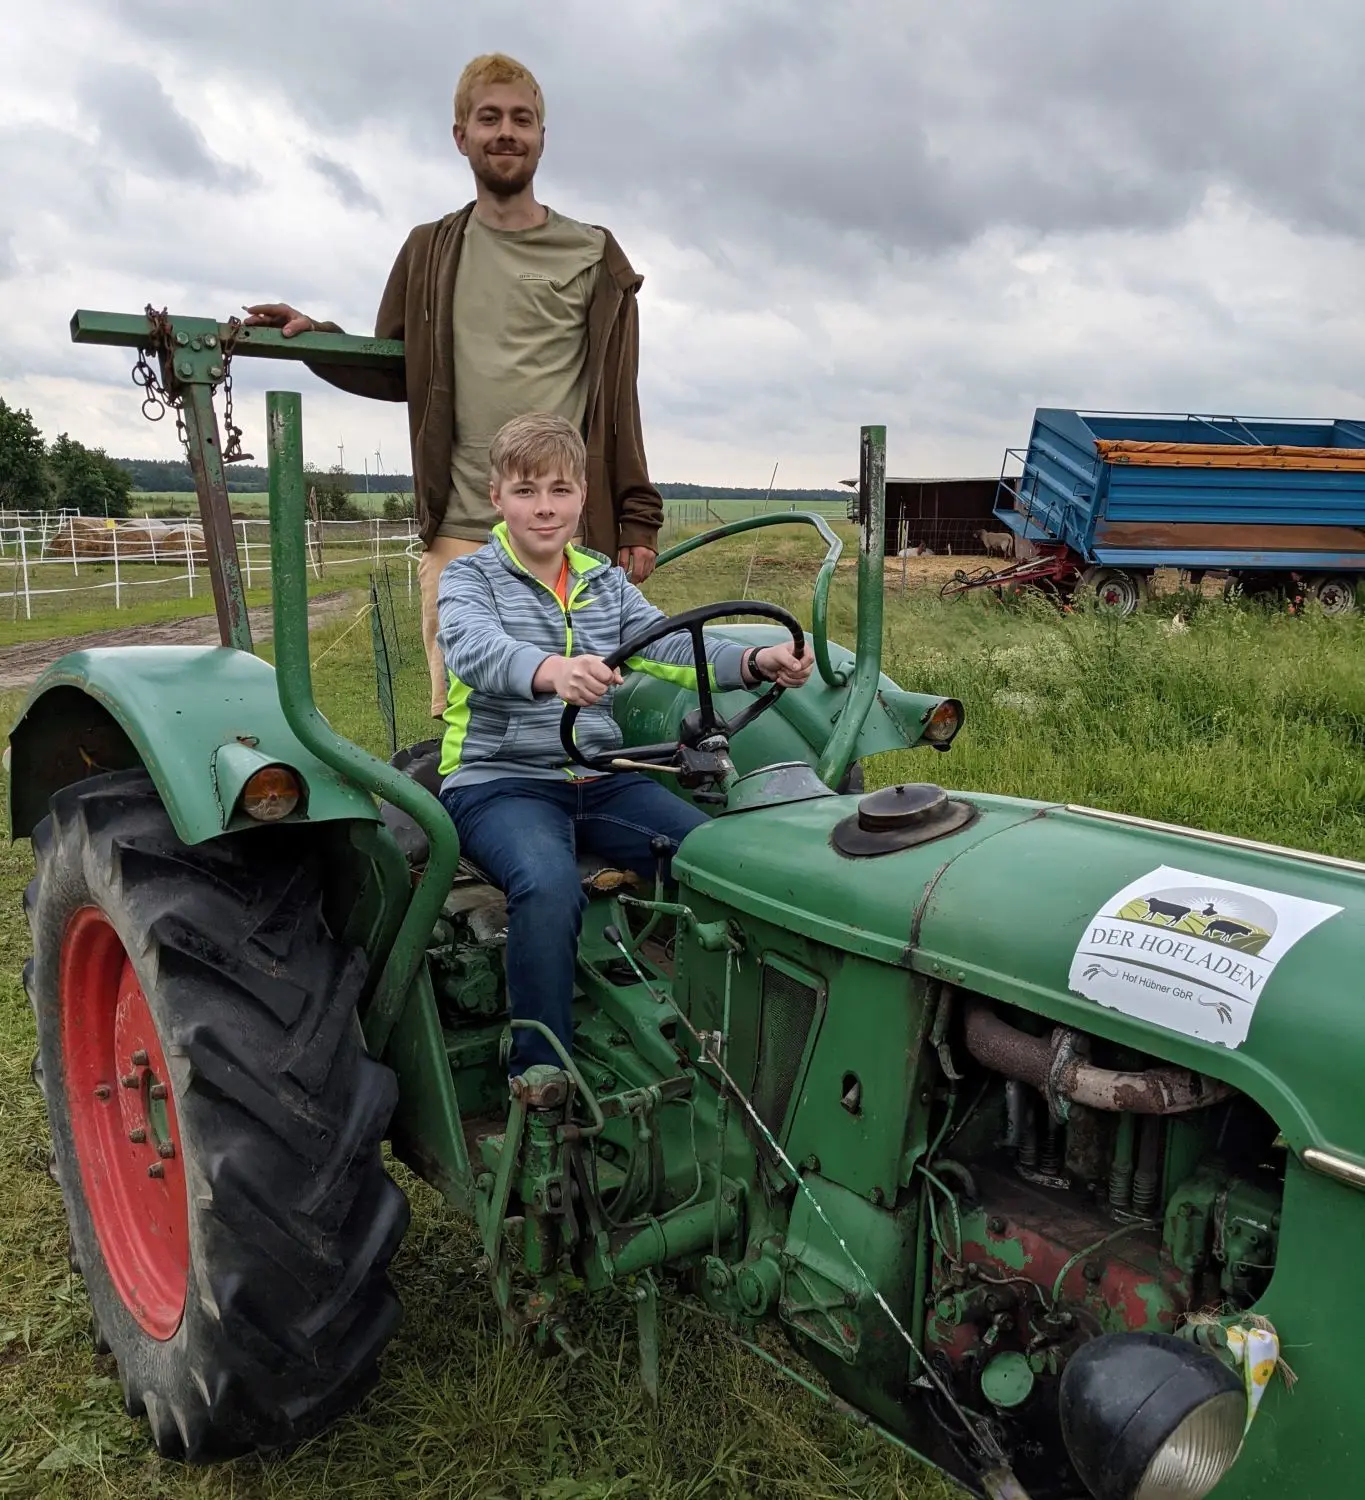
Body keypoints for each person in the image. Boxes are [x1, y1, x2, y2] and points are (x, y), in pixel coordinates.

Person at [244, 51, 663, 720]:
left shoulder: (593, 255)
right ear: (460, 135)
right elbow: (397, 368)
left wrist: (636, 516)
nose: (506, 131)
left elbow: (619, 401)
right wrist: (319, 338)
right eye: (488, 117)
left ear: (542, 137)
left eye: (521, 119)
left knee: (576, 712)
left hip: (566, 531)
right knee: (467, 714)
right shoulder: (430, 250)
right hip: (463, 528)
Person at [437, 413, 812, 1076]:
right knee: (547, 885)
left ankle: (733, 1041)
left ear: (582, 496)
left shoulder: (602, 582)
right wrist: (552, 670)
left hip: (600, 775)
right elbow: (472, 650)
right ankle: (540, 1065)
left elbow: (667, 646)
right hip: (499, 781)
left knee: (717, 862)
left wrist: (755, 659)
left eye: (558, 490)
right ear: (496, 498)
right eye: (525, 492)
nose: (543, 508)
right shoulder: (471, 579)